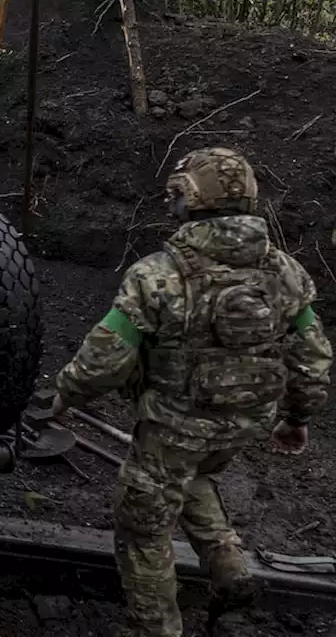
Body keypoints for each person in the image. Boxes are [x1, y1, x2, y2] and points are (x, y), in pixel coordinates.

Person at [51, 147, 332, 637]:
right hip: (246, 422)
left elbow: (104, 359)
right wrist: (297, 419)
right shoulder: (288, 271)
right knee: (196, 476)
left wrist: (64, 397)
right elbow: (312, 357)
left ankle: (156, 629)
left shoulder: (157, 275)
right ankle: (229, 565)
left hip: (174, 427)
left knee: (143, 528)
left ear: (184, 196)